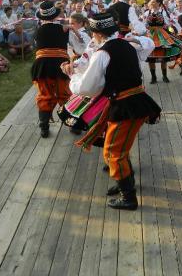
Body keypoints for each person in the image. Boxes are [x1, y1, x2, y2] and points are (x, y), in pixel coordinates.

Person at [67, 12, 161, 210]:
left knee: (113, 152)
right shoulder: (127, 45)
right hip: (132, 102)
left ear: (97, 33)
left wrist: (72, 77)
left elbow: (87, 88)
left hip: (125, 107)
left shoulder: (103, 53)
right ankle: (124, 183)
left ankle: (129, 197)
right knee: (118, 149)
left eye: (93, 33)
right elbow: (147, 45)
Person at [31, 1, 71, 138]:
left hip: (42, 66)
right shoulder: (64, 28)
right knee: (64, 94)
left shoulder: (38, 31)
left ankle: (44, 126)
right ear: (55, 15)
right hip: (60, 64)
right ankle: (73, 124)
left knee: (45, 95)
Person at [144, 0, 182, 83]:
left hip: (161, 35)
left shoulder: (164, 12)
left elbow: (168, 24)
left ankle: (164, 76)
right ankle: (153, 77)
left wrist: (171, 30)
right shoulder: (147, 12)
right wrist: (146, 29)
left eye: (153, 2)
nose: (151, 3)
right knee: (151, 57)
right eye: (151, 2)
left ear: (158, 3)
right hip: (150, 35)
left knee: (163, 56)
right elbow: (144, 24)